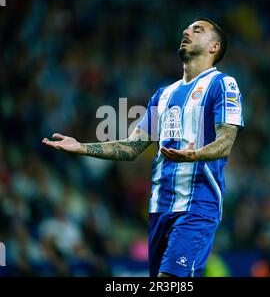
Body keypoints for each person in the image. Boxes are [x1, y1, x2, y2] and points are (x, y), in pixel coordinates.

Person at [42, 17, 244, 277]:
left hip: (197, 206)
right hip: (160, 208)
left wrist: (195, 155)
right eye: (187, 28)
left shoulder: (222, 84)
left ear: (214, 47)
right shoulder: (163, 94)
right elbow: (132, 147)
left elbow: (225, 142)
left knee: (169, 280)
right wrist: (82, 147)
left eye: (197, 30)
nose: (186, 31)